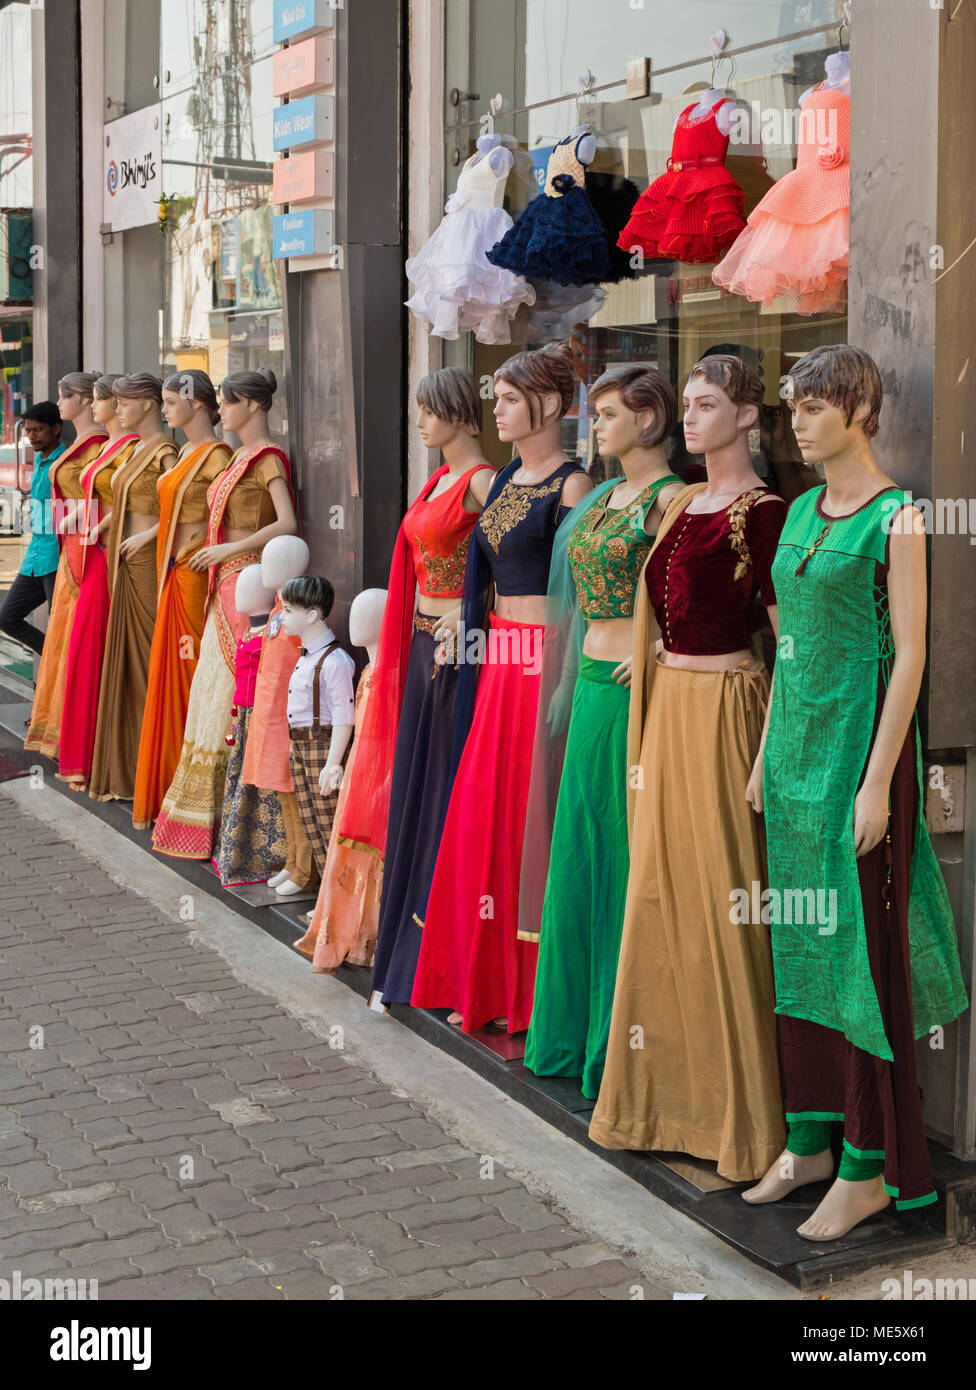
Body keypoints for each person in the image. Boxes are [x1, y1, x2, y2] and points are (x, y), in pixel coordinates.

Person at [744, 344, 968, 1238]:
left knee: (860, 961)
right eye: (791, 408)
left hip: (858, 762)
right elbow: (786, 646)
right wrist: (764, 754)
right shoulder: (798, 509)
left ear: (859, 411)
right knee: (797, 944)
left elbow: (910, 653)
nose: (796, 422)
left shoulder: (899, 518)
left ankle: (872, 1163)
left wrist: (880, 784)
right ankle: (810, 1137)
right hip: (793, 760)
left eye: (812, 407)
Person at [588, 353, 787, 1182]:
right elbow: (661, 613)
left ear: (746, 417)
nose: (694, 417)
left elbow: (792, 641)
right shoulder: (684, 507)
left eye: (710, 405)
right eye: (692, 404)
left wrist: (770, 752)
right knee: (658, 896)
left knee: (724, 903)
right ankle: (659, 1102)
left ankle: (741, 1120)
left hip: (728, 714)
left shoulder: (762, 512)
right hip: (668, 710)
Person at [0, 402, 65, 655]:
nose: (31, 436)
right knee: (7, 617)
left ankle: (59, 679)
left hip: (57, 557)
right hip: (36, 556)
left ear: (56, 428)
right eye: (28, 430)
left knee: (59, 623)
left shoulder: (65, 463)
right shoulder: (39, 460)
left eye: (38, 429)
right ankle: (53, 661)